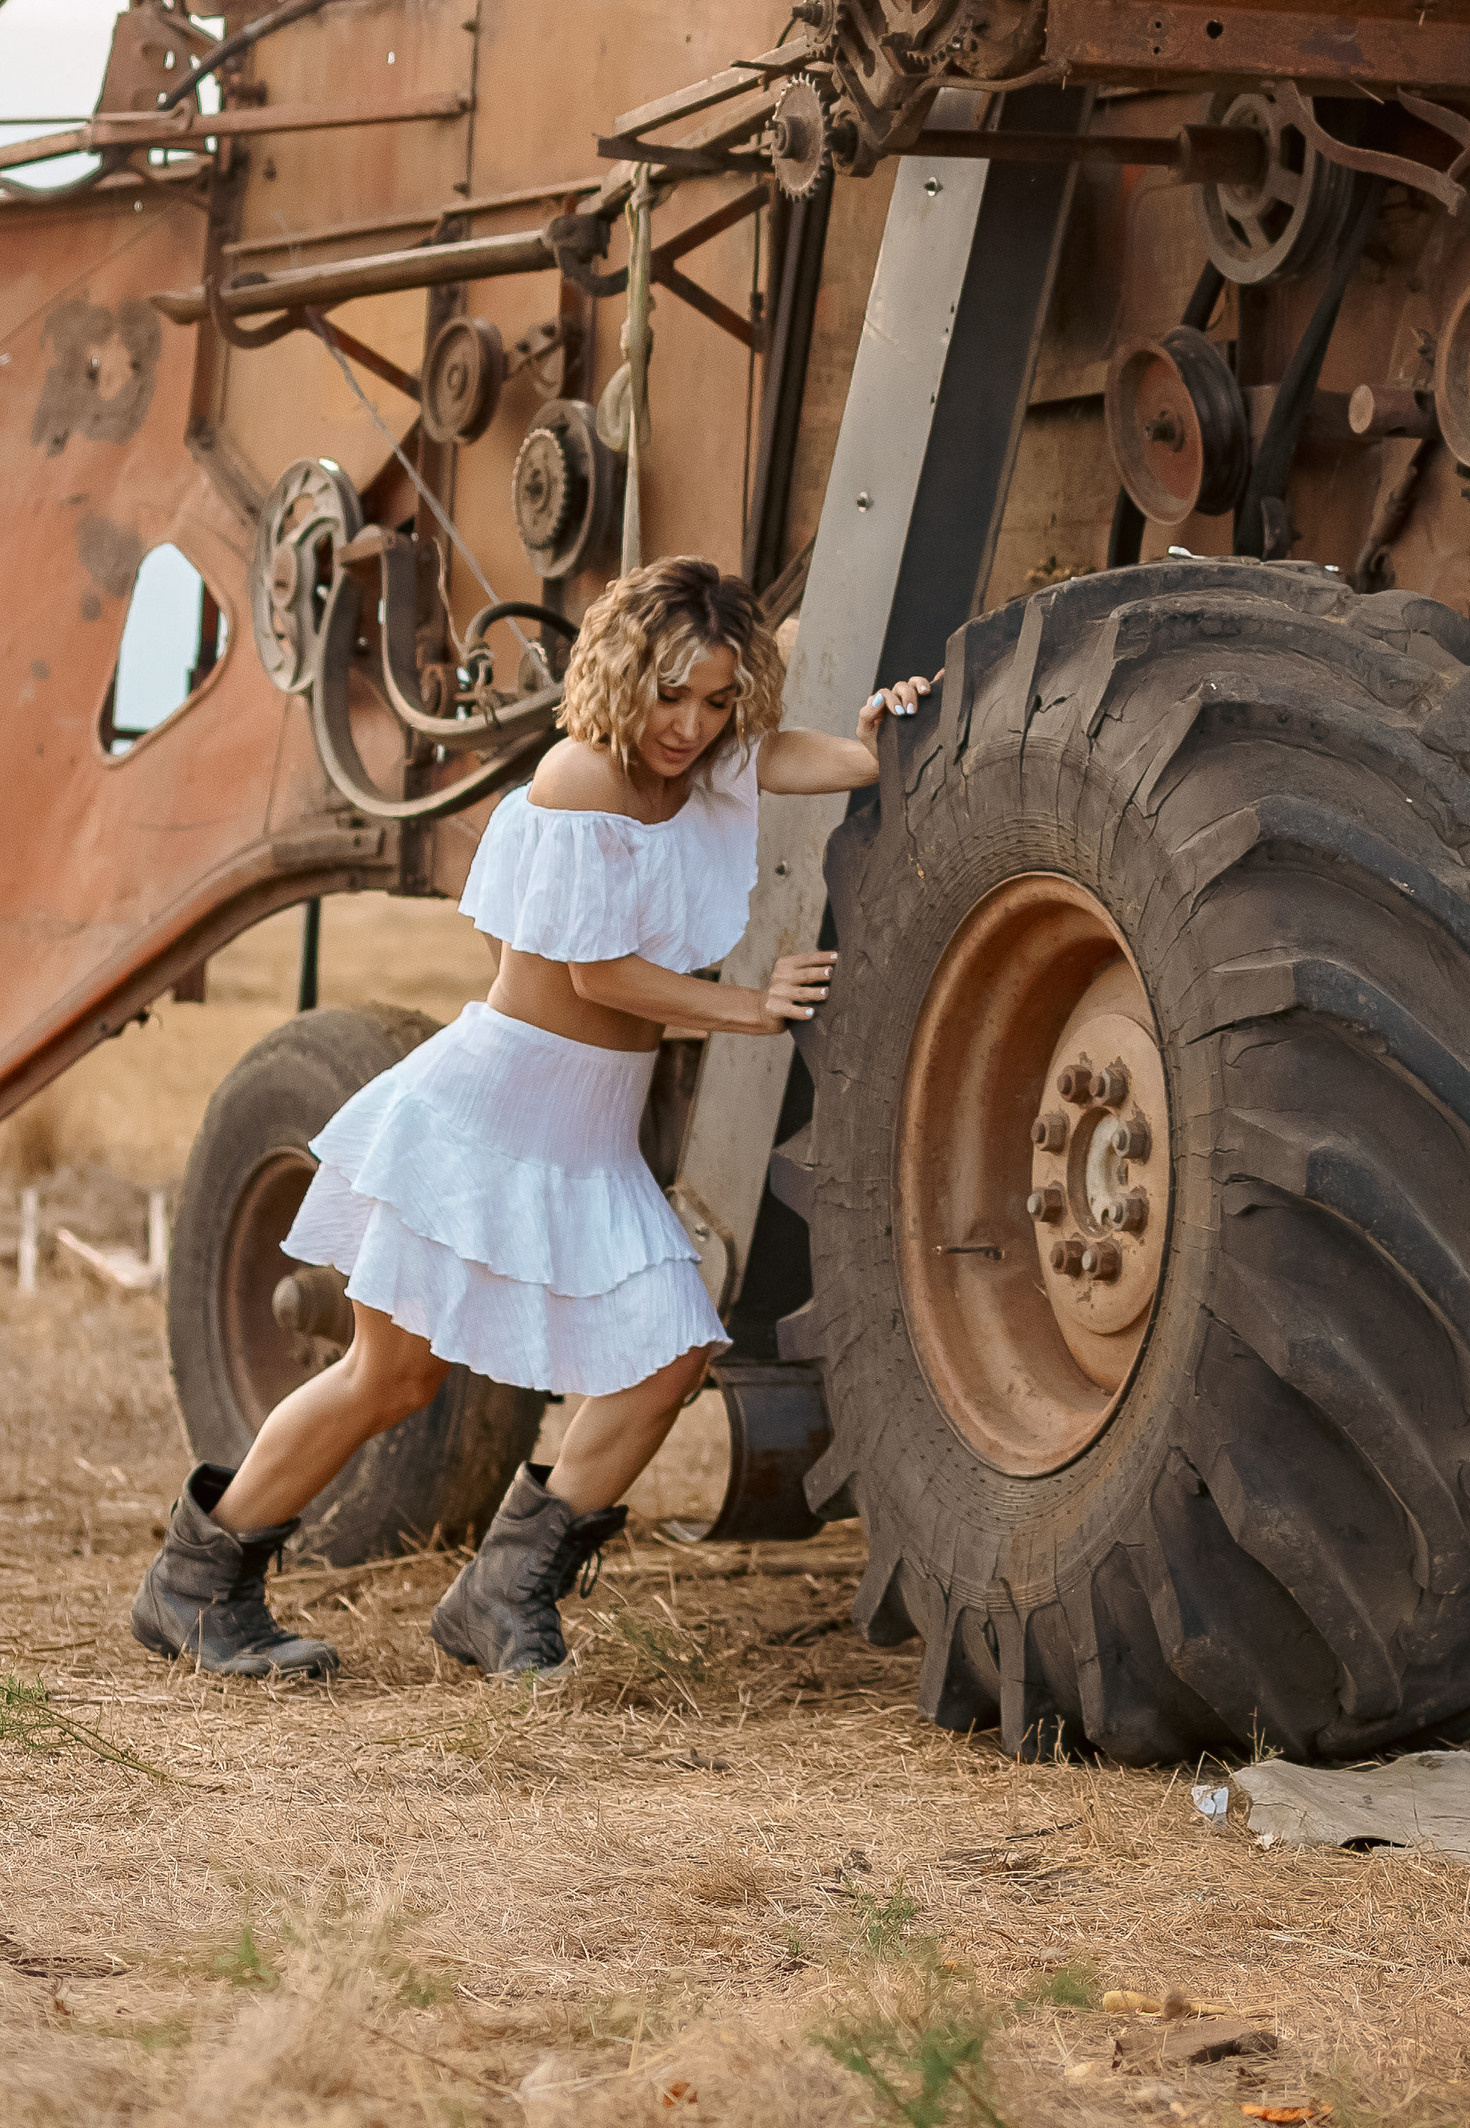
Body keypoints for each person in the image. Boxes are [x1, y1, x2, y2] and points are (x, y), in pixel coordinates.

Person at [131, 556, 925, 1688]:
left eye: (714, 699)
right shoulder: (577, 781)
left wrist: (878, 738)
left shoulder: (704, 765)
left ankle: (503, 1592)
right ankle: (196, 1583)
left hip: (588, 1135)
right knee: (389, 1378)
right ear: (624, 674)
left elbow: (780, 760)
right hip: (485, 1115)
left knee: (674, 1349)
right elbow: (597, 975)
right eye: (670, 696)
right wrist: (747, 1005)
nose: (690, 726)